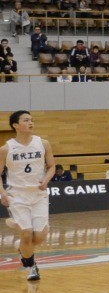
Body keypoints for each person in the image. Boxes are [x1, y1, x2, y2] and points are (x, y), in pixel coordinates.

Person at [1, 111, 56, 281]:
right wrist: (1, 193)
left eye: (32, 120)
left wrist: (46, 180)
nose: (31, 123)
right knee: (26, 234)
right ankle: (31, 266)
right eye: (26, 120)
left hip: (38, 195)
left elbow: (52, 166)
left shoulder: (43, 143)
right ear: (15, 125)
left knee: (39, 237)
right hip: (17, 196)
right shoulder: (6, 148)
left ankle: (22, 246)